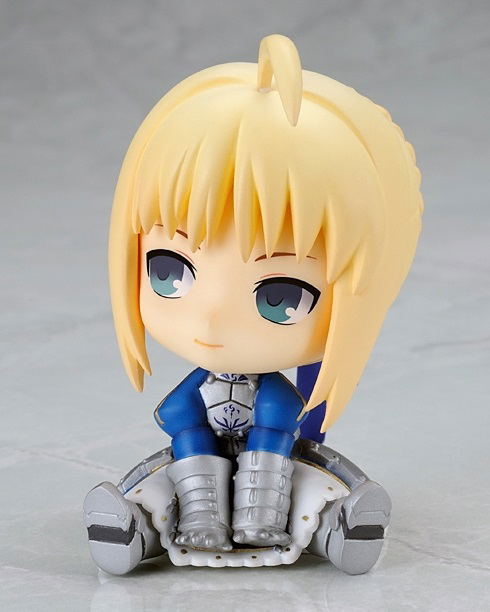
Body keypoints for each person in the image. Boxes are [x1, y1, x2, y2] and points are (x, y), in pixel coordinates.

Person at [84, 34, 422, 572]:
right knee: (164, 486)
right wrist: (192, 436)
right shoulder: (203, 387)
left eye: (280, 296)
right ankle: (133, 531)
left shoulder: (281, 401)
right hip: (198, 463)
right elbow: (176, 413)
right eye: (169, 271)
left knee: (313, 486)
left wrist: (274, 440)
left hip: (277, 460)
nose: (212, 317)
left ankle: (340, 530)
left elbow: (288, 418)